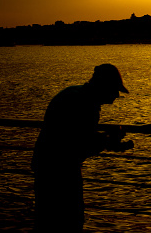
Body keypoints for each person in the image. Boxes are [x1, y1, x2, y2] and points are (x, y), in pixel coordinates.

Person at [32, 64, 131, 232]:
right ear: (103, 86)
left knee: (46, 221)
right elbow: (79, 144)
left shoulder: (73, 94)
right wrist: (108, 141)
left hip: (46, 167)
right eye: (115, 90)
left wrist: (106, 140)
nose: (116, 96)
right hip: (62, 172)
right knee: (70, 221)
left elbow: (77, 136)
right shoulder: (86, 104)